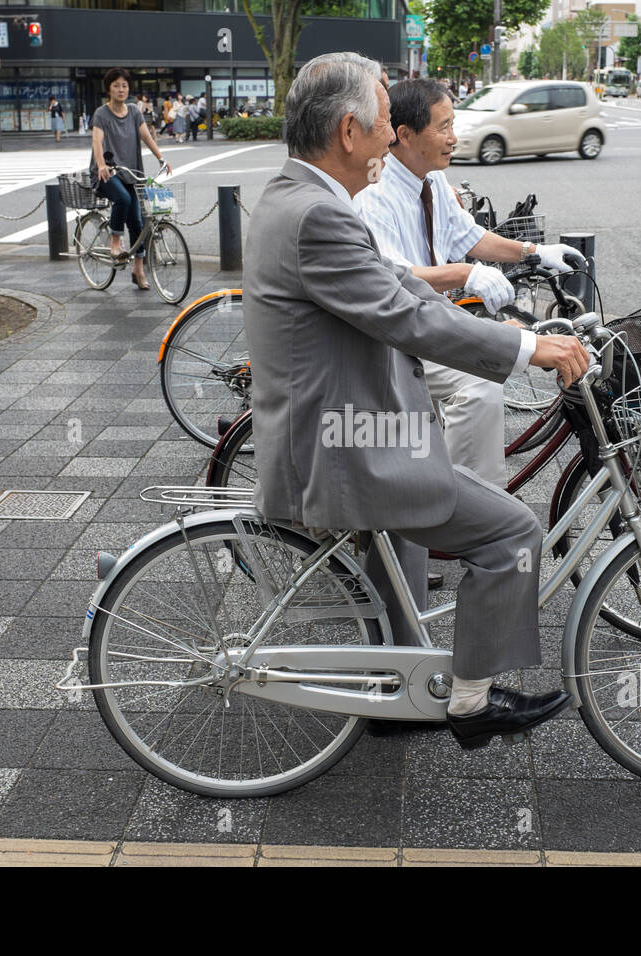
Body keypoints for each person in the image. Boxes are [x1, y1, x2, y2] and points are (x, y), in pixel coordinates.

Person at [242, 51, 587, 749]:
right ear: (349, 131)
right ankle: (469, 700)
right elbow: (408, 318)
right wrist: (527, 350)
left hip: (337, 428)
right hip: (348, 448)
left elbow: (398, 291)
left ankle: (391, 689)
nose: (389, 137)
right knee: (512, 533)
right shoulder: (321, 215)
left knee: (404, 553)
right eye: (380, 123)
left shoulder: (295, 197)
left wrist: (506, 326)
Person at [357, 77, 583, 489]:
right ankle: (466, 506)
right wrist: (466, 273)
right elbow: (390, 279)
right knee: (478, 383)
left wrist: (535, 253)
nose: (453, 137)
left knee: (495, 353)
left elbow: (470, 236)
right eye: (442, 127)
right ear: (405, 135)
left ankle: (449, 479)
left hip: (429, 320)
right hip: (395, 335)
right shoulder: (375, 192)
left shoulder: (432, 180)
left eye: (453, 124)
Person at [90, 67, 172, 290]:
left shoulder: (134, 111)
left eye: (124, 85)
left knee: (137, 221)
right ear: (109, 88)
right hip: (107, 172)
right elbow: (97, 141)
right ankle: (115, 241)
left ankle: (139, 270)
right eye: (116, 85)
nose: (121, 89)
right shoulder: (101, 114)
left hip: (131, 172)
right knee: (123, 200)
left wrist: (161, 158)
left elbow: (145, 135)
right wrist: (100, 164)